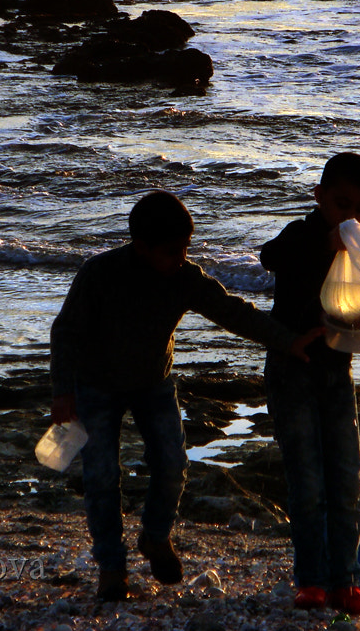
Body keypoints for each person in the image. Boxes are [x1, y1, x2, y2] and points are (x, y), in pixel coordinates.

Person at [49, 190, 321, 602]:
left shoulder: (184, 277)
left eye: (186, 248)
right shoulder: (99, 274)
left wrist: (288, 342)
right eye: (172, 251)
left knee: (173, 464)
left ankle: (155, 537)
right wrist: (62, 394)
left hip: (152, 382)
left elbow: (233, 311)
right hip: (94, 386)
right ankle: (111, 567)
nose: (181, 257)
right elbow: (64, 332)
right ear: (141, 247)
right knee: (101, 476)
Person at [260, 152, 360, 617]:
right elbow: (270, 256)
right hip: (290, 370)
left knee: (345, 481)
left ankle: (345, 583)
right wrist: (328, 241)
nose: (352, 217)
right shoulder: (302, 235)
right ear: (319, 198)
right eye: (342, 205)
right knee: (308, 482)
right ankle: (313, 581)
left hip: (336, 374)